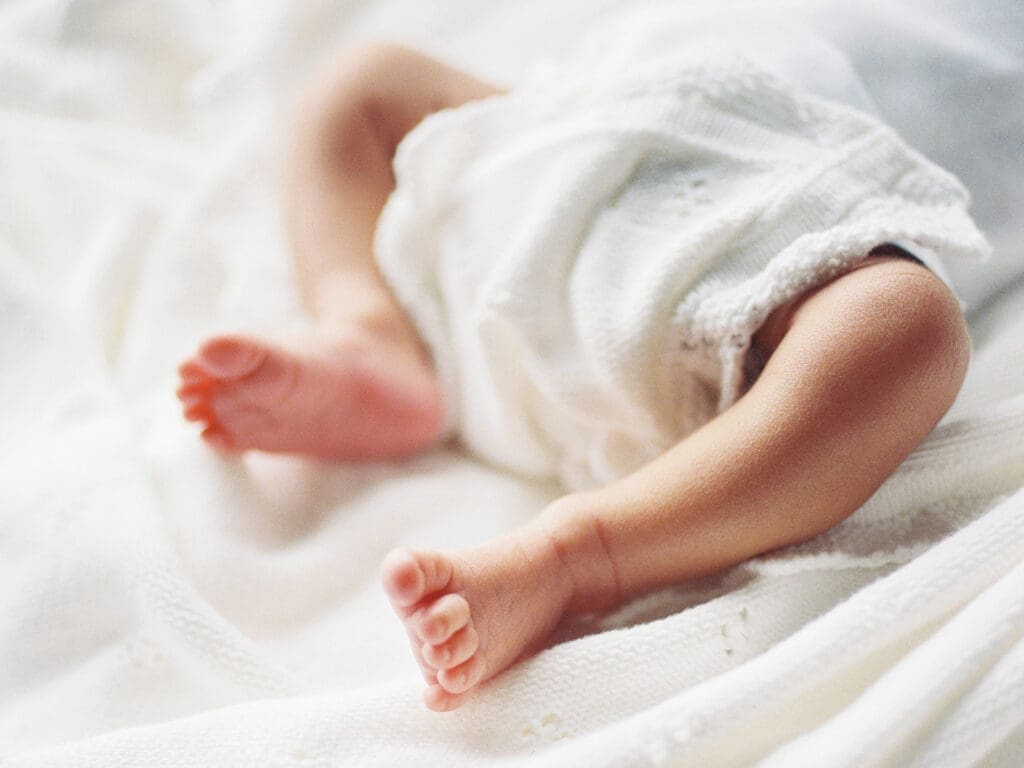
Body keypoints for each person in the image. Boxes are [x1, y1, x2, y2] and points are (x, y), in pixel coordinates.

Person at [176, 37, 983, 712]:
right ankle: (367, 328)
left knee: (908, 326)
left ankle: (583, 555)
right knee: (360, 81)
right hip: (562, 165)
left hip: (775, 248)